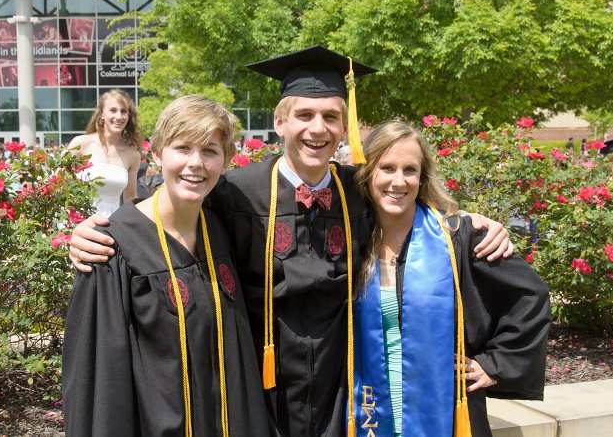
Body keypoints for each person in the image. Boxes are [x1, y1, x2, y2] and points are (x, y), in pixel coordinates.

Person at [68, 46, 513, 436]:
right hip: (259, 395)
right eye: (304, 115)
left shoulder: (356, 193)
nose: (317, 129)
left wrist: (465, 220)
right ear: (280, 121)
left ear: (344, 128)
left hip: (343, 390)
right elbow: (171, 206)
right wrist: (94, 231)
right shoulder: (235, 193)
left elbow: (406, 206)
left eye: (330, 117)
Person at [63, 95, 270, 436]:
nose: (196, 163)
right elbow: (99, 382)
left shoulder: (219, 231)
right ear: (157, 154)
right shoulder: (112, 248)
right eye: (182, 148)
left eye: (209, 151)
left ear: (226, 160)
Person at [352, 121, 550, 436]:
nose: (398, 181)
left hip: (445, 413)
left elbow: (530, 296)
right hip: (366, 411)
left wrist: (496, 364)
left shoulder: (456, 237)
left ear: (422, 177)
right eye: (386, 168)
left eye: (410, 170)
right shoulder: (349, 241)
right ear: (367, 173)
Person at [68, 89, 142, 216]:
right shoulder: (81, 144)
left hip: (111, 224)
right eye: (113, 110)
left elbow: (130, 198)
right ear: (101, 114)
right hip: (77, 221)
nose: (119, 116)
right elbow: (58, 183)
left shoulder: (133, 155)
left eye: (123, 111)